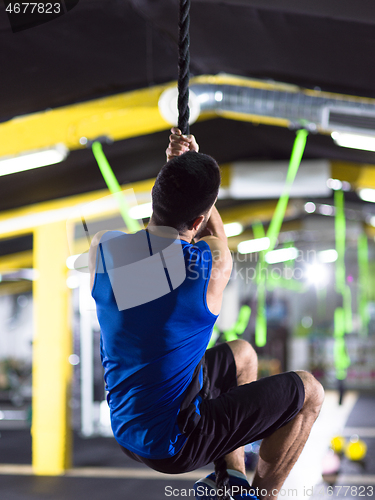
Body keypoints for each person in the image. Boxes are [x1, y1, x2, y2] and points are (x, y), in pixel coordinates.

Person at [89, 128, 325, 500]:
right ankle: (264, 497)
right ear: (198, 220)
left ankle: (230, 476)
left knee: (243, 354)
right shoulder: (209, 266)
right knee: (310, 392)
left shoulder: (103, 248)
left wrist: (176, 172)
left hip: (127, 426)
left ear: (155, 197)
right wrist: (184, 173)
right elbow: (215, 239)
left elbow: (155, 242)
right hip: (175, 443)